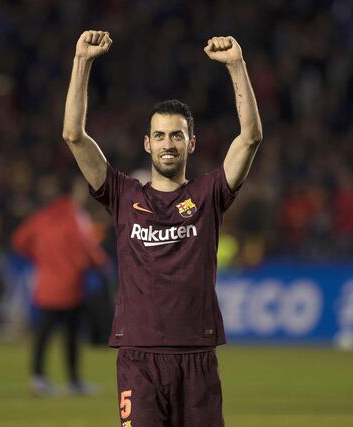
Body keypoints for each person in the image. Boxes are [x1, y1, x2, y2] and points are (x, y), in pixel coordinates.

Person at [63, 30, 262, 426]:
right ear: (146, 144)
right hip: (138, 357)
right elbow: (73, 136)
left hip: (197, 355)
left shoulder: (208, 194)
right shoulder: (122, 194)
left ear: (190, 143)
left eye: (176, 135)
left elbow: (251, 138)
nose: (167, 142)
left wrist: (237, 66)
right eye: (159, 135)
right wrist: (82, 62)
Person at [12, 176, 108, 395]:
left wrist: (39, 257)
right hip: (72, 286)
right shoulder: (76, 217)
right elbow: (89, 249)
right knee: (72, 337)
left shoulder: (42, 216)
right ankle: (74, 381)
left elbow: (19, 240)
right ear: (73, 193)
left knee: (42, 336)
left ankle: (38, 378)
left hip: (45, 287)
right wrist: (101, 264)